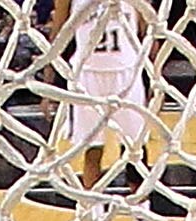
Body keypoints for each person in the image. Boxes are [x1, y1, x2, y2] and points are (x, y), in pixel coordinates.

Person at [61, 0, 147, 187]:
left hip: (127, 73)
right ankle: (93, 211)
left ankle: (142, 210)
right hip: (87, 75)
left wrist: (155, 77)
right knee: (92, 149)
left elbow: (147, 28)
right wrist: (50, 81)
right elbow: (59, 35)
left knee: (135, 147)